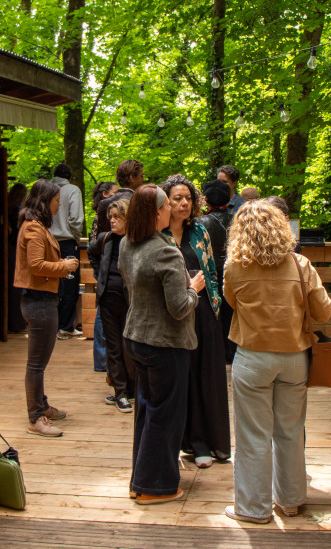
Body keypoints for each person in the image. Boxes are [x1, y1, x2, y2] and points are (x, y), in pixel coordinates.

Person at [223, 201, 331, 524]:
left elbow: (231, 302)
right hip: (295, 359)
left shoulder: (234, 267)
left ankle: (253, 508)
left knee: (252, 435)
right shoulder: (301, 264)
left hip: (252, 358)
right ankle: (290, 501)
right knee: (290, 431)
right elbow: (324, 312)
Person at [120, 184, 204, 504]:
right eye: (168, 205)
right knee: (165, 416)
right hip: (165, 344)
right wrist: (194, 287)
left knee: (146, 411)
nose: (173, 209)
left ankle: (139, 481)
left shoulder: (128, 245)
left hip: (136, 338)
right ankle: (155, 487)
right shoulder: (166, 251)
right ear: (157, 213)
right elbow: (179, 307)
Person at [161, 174, 230, 469]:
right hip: (170, 313)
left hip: (202, 311)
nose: (184, 203)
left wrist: (214, 304)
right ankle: (177, 442)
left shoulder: (200, 229)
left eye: (188, 198)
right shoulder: (157, 235)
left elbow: (212, 269)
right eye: (177, 198)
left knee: (205, 376)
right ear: (166, 202)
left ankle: (204, 443)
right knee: (179, 377)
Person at [15, 179, 80, 437]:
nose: (59, 203)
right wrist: (63, 267)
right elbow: (36, 265)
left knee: (38, 362)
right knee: (36, 365)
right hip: (39, 302)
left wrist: (61, 262)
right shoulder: (33, 229)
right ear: (45, 202)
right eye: (56, 200)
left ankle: (42, 405)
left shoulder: (37, 226)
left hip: (42, 300)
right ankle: (36, 418)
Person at [88, 198, 135, 412]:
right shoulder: (104, 239)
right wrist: (100, 276)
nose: (113, 221)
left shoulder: (136, 241)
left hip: (130, 302)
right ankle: (120, 392)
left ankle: (131, 388)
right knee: (113, 347)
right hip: (108, 300)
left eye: (117, 217)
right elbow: (91, 253)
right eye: (111, 217)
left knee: (130, 346)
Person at [200, 179, 235, 362]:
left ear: (206, 200)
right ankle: (231, 352)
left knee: (213, 314)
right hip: (233, 273)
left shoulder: (200, 223)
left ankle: (216, 353)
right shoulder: (237, 220)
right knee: (231, 314)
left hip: (210, 275)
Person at [50, 163, 84, 339]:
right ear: (69, 176)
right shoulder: (72, 190)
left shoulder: (46, 188)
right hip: (67, 242)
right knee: (70, 284)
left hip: (47, 242)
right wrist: (76, 237)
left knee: (51, 282)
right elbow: (76, 219)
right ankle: (65, 326)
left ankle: (51, 325)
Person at [88, 180, 119, 372]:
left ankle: (103, 360)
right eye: (115, 193)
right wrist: (100, 270)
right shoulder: (104, 213)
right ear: (106, 194)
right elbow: (94, 245)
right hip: (105, 269)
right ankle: (101, 360)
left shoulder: (106, 210)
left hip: (106, 269)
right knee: (102, 313)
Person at [7, 182, 28, 333]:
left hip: (9, 249)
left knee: (12, 287)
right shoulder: (20, 211)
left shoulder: (7, 209)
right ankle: (17, 323)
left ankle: (12, 322)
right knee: (18, 287)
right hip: (17, 251)